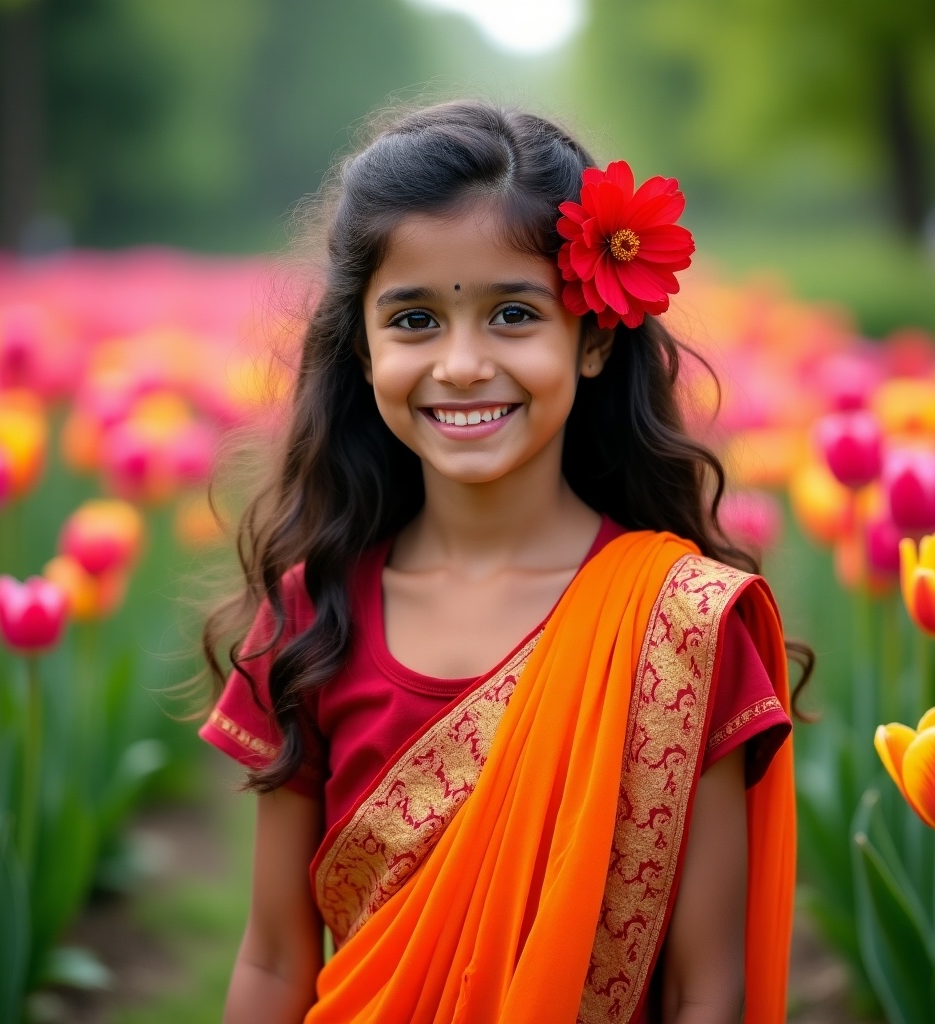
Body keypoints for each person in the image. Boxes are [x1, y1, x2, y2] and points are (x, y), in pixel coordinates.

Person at [199, 100, 801, 1024]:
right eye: (414, 321)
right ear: (362, 349)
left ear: (593, 339)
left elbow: (702, 991)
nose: (464, 364)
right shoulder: (314, 614)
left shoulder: (676, 626)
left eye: (513, 314)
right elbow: (277, 962)